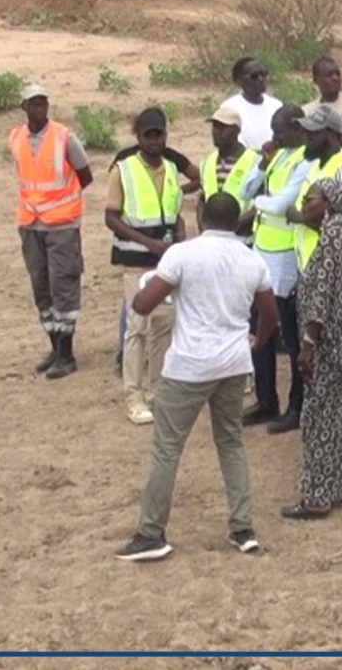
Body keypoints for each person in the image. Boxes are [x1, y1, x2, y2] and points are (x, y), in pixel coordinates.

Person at [118, 193, 273, 561]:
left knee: (167, 449)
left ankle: (151, 532)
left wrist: (153, 285)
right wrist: (257, 340)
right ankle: (242, 527)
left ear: (200, 215)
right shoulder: (252, 260)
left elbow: (142, 305)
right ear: (237, 222)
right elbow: (269, 312)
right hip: (234, 363)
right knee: (231, 443)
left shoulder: (183, 255)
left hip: (189, 365)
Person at [281, 178, 342, 518]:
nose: (306, 203)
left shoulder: (331, 239)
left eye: (312, 199)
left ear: (330, 203)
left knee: (319, 417)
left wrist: (308, 344)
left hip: (329, 343)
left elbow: (322, 299)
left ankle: (318, 495)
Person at [274, 104, 342, 434]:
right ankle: (308, 412)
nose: (305, 138)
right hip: (313, 269)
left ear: (330, 135)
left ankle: (331, 425)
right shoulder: (317, 165)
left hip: (334, 276)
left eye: (313, 133)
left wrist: (299, 217)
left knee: (328, 354)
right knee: (310, 351)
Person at [106, 108, 192, 425]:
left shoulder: (171, 168)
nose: (155, 140)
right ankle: (133, 396)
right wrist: (147, 242)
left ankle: (156, 391)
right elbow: (110, 217)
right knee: (137, 328)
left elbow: (174, 209)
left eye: (159, 134)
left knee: (163, 326)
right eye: (149, 135)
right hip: (135, 259)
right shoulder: (123, 170)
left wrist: (180, 232)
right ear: (139, 137)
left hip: (166, 260)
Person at [11, 83, 93, 379]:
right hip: (30, 224)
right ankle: (56, 348)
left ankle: (67, 354)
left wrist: (60, 202)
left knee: (64, 286)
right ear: (24, 107)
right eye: (33, 104)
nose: (39, 108)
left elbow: (85, 175)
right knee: (41, 286)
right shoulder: (16, 138)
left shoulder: (64, 137)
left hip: (62, 224)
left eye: (43, 102)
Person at [243, 105, 313, 429]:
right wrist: (261, 165)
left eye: (279, 131)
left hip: (286, 255)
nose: (274, 137)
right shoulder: (281, 155)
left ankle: (297, 406)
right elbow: (246, 189)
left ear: (298, 128)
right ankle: (266, 399)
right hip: (262, 248)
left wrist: (256, 205)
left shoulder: (305, 160)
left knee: (291, 331)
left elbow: (280, 203)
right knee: (261, 329)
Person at [222, 57, 284, 152]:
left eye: (264, 74)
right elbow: (236, 146)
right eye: (254, 76)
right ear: (239, 81)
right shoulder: (230, 108)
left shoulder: (277, 105)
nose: (261, 79)